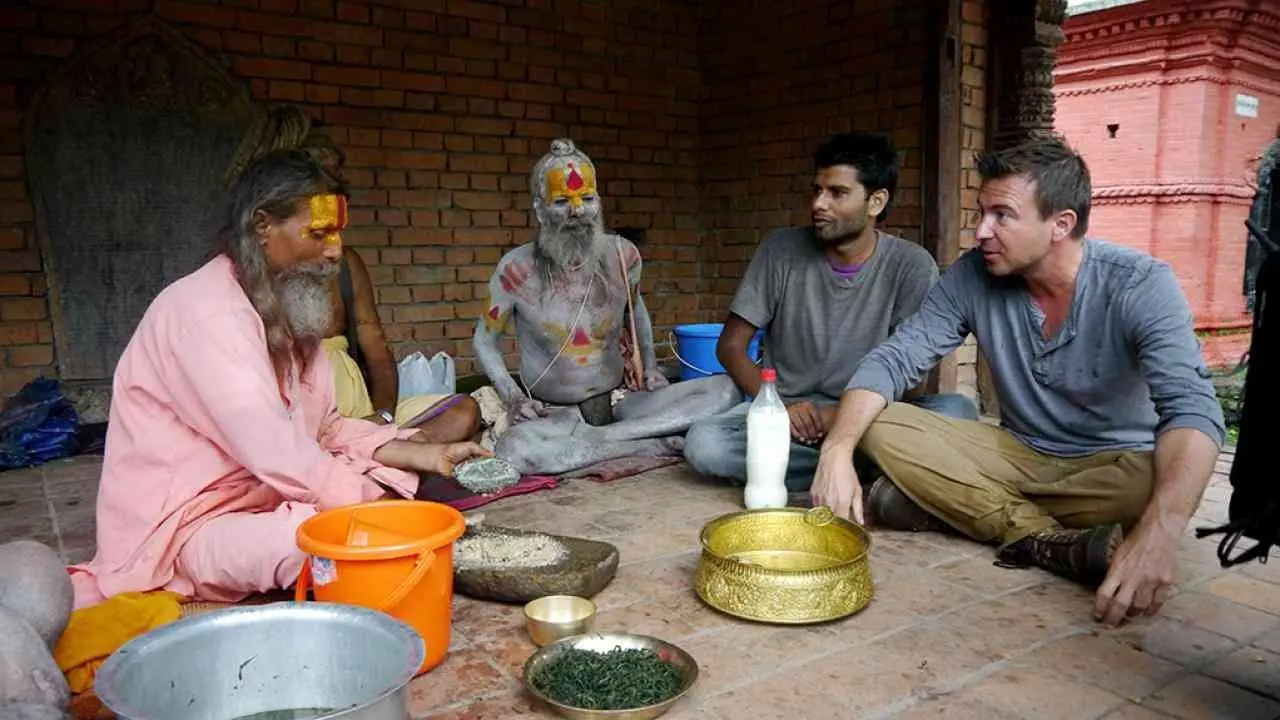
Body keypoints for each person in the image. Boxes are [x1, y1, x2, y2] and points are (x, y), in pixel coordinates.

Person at [810, 134, 1226, 627]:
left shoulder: (1139, 283)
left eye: (1002, 216)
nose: (981, 231)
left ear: (1060, 224)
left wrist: (1162, 530)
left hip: (1111, 467)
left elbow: (1193, 409)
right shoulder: (973, 274)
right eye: (980, 212)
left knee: (1159, 479)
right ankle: (1046, 540)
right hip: (1016, 453)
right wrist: (836, 450)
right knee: (880, 424)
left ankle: (954, 508)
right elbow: (897, 359)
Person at [67, 150, 490, 610]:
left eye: (337, 233)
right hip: (190, 525)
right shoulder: (206, 312)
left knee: (390, 484)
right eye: (319, 233)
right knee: (311, 540)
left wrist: (426, 453)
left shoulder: (289, 311)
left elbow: (326, 427)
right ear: (263, 226)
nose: (336, 250)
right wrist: (378, 508)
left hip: (269, 492)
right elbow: (278, 453)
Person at [683, 133, 978, 489]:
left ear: (876, 202)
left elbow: (912, 382)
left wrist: (837, 417)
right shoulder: (781, 250)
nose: (819, 204)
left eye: (837, 193)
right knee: (705, 444)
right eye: (817, 191)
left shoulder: (911, 265)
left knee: (959, 414)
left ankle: (810, 466)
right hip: (786, 413)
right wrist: (778, 407)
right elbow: (730, 346)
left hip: (870, 413)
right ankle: (870, 470)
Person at [472, 138, 741, 476]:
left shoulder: (622, 255)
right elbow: (484, 341)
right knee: (515, 451)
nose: (577, 212)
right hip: (556, 415)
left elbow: (636, 312)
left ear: (598, 202)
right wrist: (513, 398)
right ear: (539, 210)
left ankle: (602, 440)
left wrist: (652, 367)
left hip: (622, 402)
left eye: (587, 199)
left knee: (726, 390)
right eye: (561, 202)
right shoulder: (515, 270)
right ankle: (646, 444)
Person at [322, 245, 481, 442]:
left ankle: (363, 451)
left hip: (361, 419)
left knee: (463, 412)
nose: (333, 243)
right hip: (302, 431)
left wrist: (382, 417)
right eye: (318, 232)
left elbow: (378, 352)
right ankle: (365, 454)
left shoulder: (344, 261)